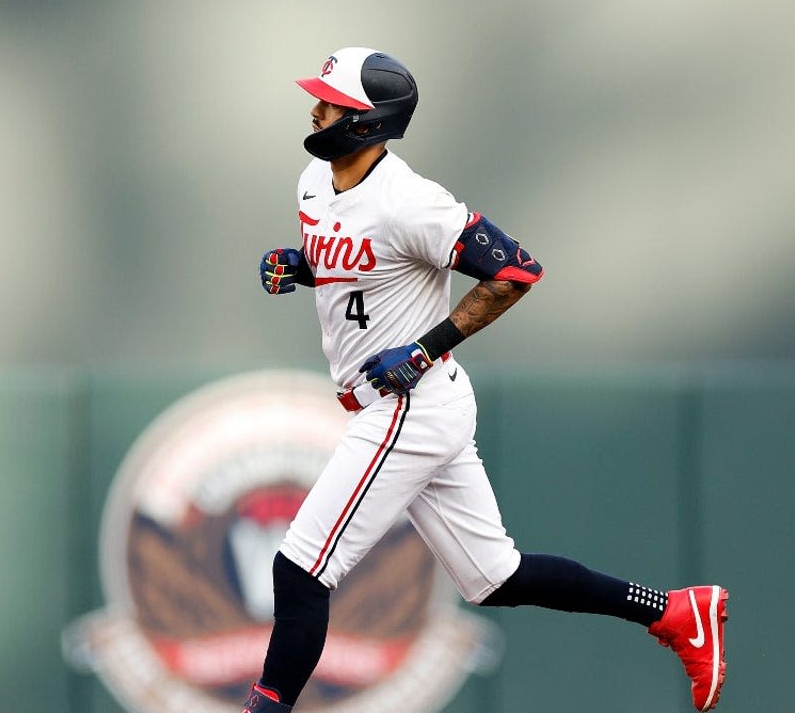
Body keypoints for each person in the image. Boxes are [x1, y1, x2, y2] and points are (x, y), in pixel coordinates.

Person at [246, 47, 729, 712]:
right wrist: (300, 265)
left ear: (366, 123)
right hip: (412, 403)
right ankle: (674, 611)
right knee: (492, 577)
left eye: (331, 102)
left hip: (406, 403)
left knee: (299, 567)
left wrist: (424, 347)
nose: (315, 108)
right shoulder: (313, 181)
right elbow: (353, 257)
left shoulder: (411, 202)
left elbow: (516, 270)